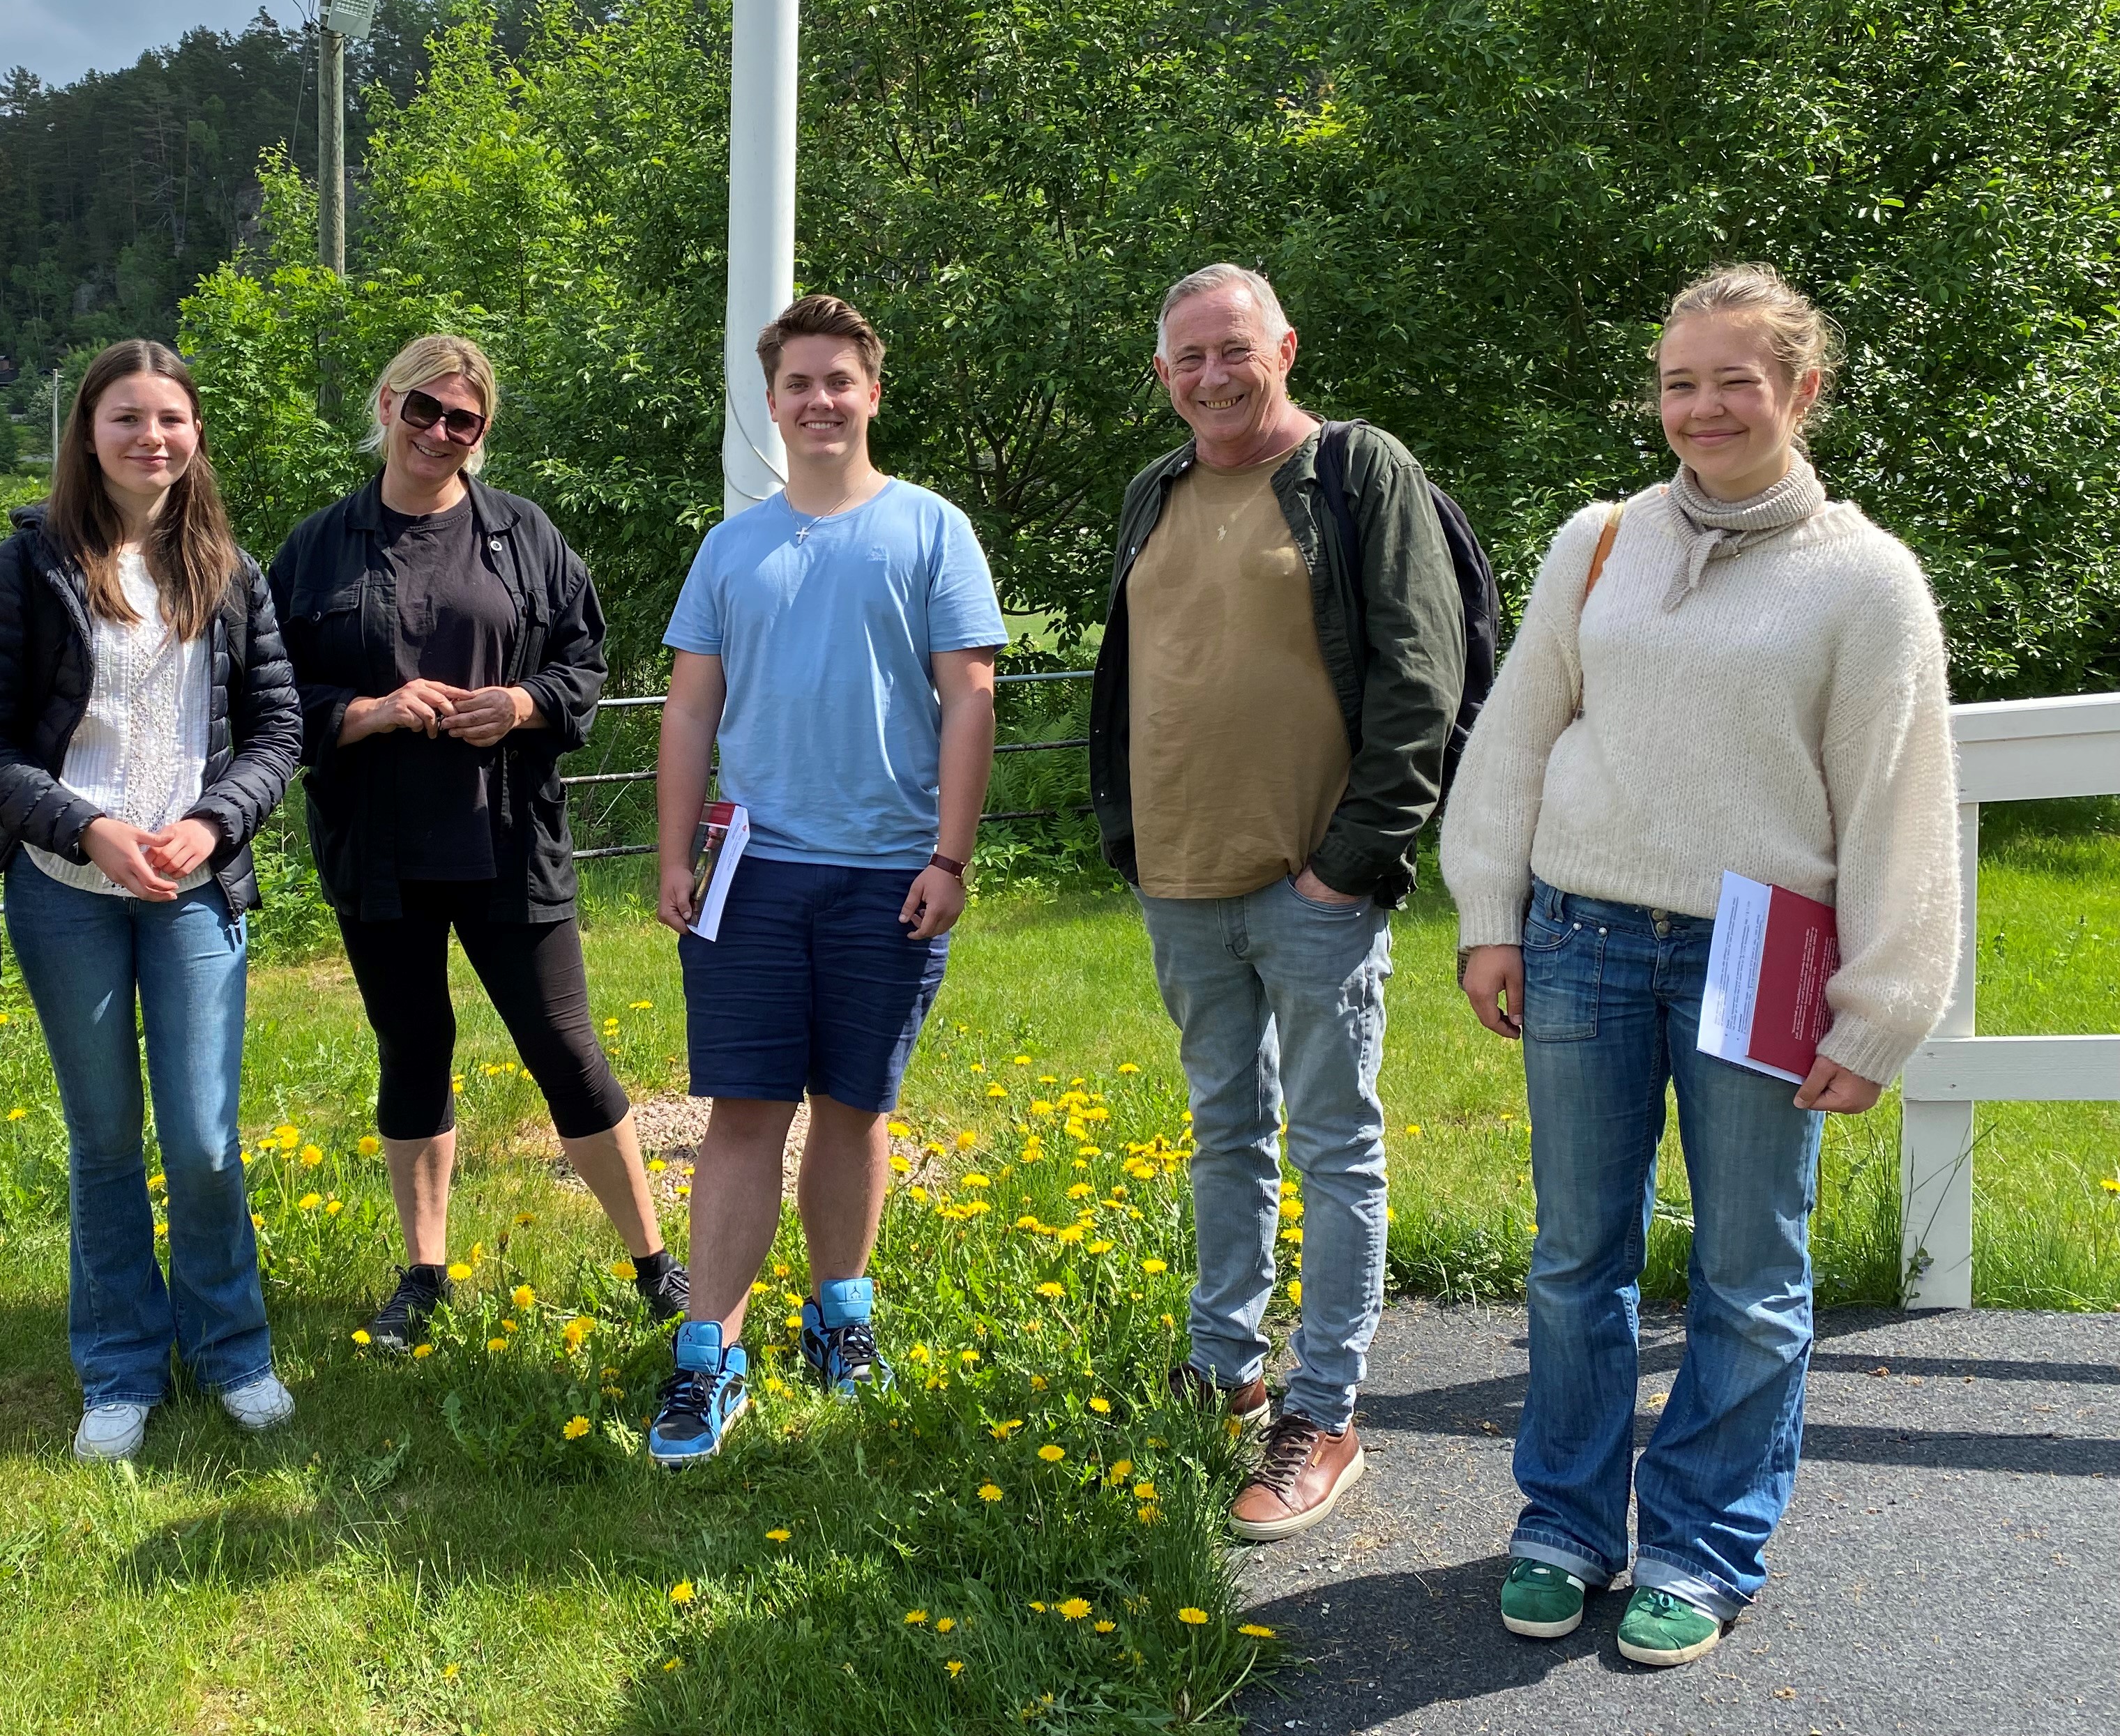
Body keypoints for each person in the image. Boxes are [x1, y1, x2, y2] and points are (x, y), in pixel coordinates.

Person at [1441, 264, 1958, 1665]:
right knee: (1573, 1255)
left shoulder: (1864, 581)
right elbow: (1519, 733)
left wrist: (1884, 1006)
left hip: (1761, 948)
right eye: (1682, 381)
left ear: (1803, 389)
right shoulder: (1599, 542)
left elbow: (1900, 801)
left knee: (1749, 1269)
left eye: (1738, 379)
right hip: (1584, 933)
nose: (1705, 406)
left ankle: (1702, 1543)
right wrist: (1491, 908)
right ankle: (1563, 1521)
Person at [1087, 264, 1464, 1541]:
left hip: (1313, 879)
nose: (1210, 376)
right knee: (1225, 1132)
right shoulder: (1155, 490)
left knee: (1333, 1146)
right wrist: (1131, 842)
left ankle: (1329, 1409)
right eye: (1186, 358)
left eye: (1232, 350)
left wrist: (1348, 864)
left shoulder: (1358, 474)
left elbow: (1424, 677)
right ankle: (1225, 1365)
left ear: (1285, 347)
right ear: (1161, 375)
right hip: (1180, 878)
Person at [268, 333, 685, 1349]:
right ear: (385, 404)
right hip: (378, 847)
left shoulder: (525, 536)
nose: (440, 433)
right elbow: (268, 695)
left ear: (482, 435)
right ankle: (424, 1276)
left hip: (508, 840)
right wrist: (366, 712)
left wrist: (522, 703)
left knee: (565, 1048)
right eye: (424, 410)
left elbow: (585, 664)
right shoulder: (317, 548)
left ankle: (656, 1265)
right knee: (414, 1050)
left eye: (464, 420)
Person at [646, 294, 1006, 1467]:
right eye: (796, 383)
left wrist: (950, 856)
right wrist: (669, 857)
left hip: (890, 874)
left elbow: (970, 697)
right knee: (744, 1114)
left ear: (872, 391)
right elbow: (691, 706)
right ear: (773, 399)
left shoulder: (932, 530)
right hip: (750, 872)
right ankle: (710, 1353)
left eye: (837, 380)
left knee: (857, 1108)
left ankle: (839, 1322)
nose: (817, 401)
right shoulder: (732, 545)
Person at [0, 337, 303, 1463]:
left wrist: (212, 821)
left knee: (201, 1138)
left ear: (195, 436)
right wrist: (85, 825)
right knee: (105, 1140)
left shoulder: (231, 574)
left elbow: (278, 731)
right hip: (67, 891)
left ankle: (233, 1349)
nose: (153, 437)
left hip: (195, 890)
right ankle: (118, 1369)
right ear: (86, 435)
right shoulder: (32, 566)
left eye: (172, 419)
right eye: (126, 418)